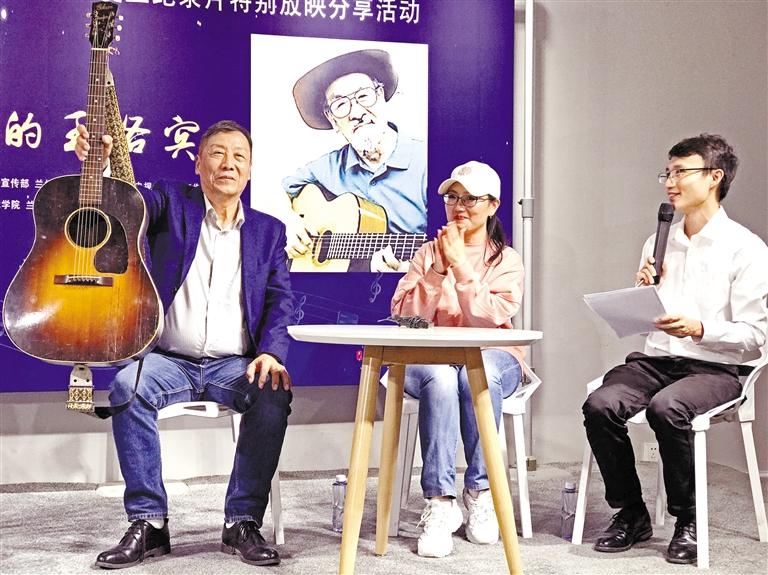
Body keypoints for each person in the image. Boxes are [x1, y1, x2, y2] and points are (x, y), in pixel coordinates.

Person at [75, 120, 294, 569]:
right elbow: (126, 207)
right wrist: (98, 168)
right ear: (198, 163)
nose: (228, 163)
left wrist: (271, 352)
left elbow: (280, 299)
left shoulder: (268, 231)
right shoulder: (171, 202)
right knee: (127, 388)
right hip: (168, 360)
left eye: (239, 156)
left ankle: (242, 521)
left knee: (273, 392)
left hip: (234, 364)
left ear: (250, 169)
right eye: (217, 153)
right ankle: (149, 521)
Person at [582, 134, 768, 565]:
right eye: (667, 172)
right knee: (600, 404)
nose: (670, 182)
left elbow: (756, 335)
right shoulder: (658, 241)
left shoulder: (746, 249)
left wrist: (700, 329)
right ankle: (631, 513)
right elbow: (650, 317)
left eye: (681, 172)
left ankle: (688, 519)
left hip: (717, 368)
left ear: (714, 177)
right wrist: (641, 296)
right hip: (657, 360)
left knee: (668, 408)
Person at [390, 161, 525, 557]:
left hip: (492, 356)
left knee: (476, 374)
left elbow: (490, 318)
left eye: (470, 199)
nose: (459, 206)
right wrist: (437, 270)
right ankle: (439, 501)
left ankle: (479, 491)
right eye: (452, 197)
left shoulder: (506, 260)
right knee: (443, 377)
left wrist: (462, 267)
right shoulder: (427, 253)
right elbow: (405, 317)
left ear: (493, 205)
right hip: (429, 359)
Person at [282, 48, 427, 272]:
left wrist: (416, 271)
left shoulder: (427, 162)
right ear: (332, 119)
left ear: (381, 96)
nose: (357, 113)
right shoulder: (328, 167)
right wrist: (289, 223)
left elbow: (457, 252)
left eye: (364, 96)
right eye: (340, 105)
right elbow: (278, 191)